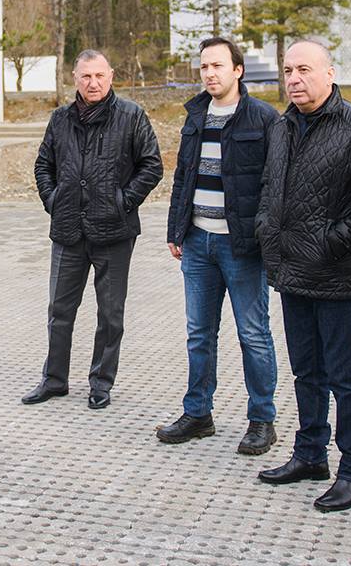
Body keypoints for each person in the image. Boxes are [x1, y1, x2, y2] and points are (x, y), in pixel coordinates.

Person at [254, 40, 351, 512]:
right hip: (291, 271)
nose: (294, 79)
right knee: (306, 372)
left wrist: (332, 241)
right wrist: (266, 229)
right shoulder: (281, 127)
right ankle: (310, 454)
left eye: (305, 69)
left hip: (337, 276)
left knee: (345, 378)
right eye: (288, 70)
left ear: (330, 73)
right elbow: (269, 187)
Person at [159, 37, 280, 454]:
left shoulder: (263, 118)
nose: (210, 74)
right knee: (199, 334)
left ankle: (262, 419)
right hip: (197, 243)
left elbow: (274, 183)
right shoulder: (196, 115)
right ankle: (198, 413)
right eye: (204, 67)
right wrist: (176, 230)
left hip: (241, 247)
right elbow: (183, 175)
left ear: (238, 70)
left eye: (218, 66)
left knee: (253, 334)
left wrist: (263, 234)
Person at [22, 50, 163, 410]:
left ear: (111, 76)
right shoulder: (60, 119)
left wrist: (122, 202)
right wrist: (53, 200)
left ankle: (101, 382)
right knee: (59, 311)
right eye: (86, 76)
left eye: (99, 75)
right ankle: (54, 380)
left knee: (110, 315)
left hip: (114, 232)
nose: (93, 83)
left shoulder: (131, 115)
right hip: (68, 230)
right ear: (75, 78)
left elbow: (152, 166)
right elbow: (43, 165)